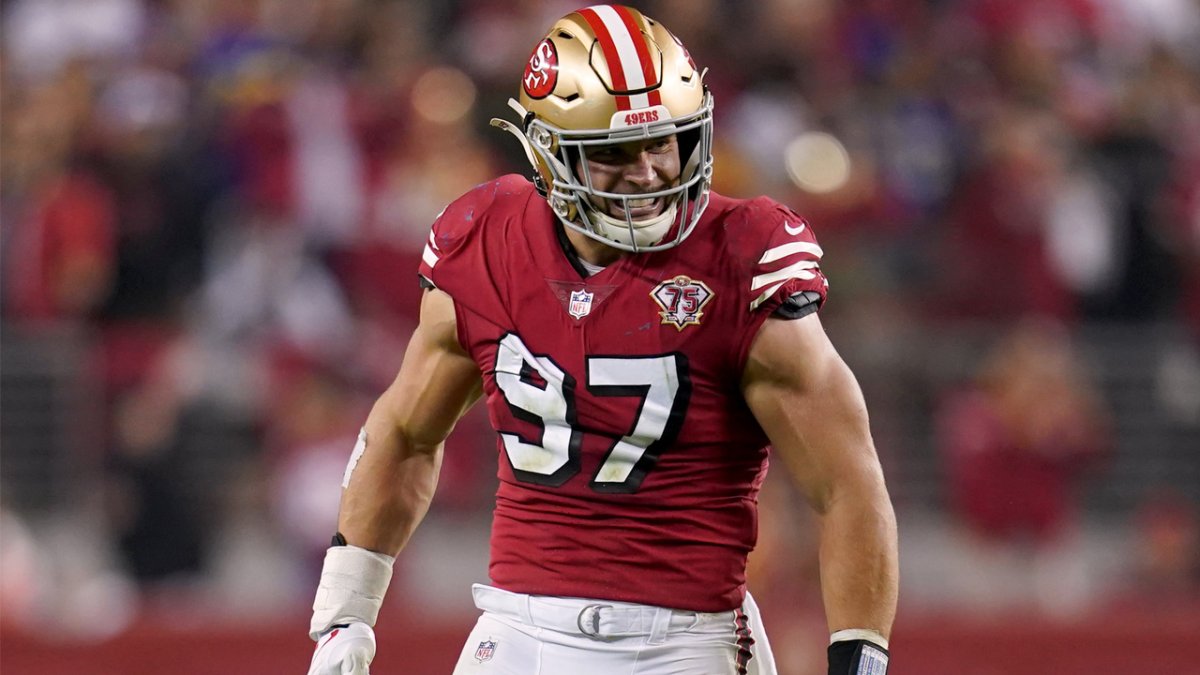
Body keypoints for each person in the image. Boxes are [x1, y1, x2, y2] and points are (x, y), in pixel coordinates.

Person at [305, 5, 898, 674]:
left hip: (684, 640)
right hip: (516, 626)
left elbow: (845, 479)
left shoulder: (741, 254)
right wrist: (345, 609)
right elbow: (407, 432)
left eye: (664, 142)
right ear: (549, 153)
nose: (648, 172)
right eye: (615, 153)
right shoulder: (486, 242)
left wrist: (860, 654)